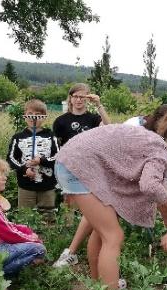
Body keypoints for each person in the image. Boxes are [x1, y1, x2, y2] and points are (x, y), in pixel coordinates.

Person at [55, 111, 167, 290]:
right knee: (113, 236)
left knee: (101, 233)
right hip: (78, 165)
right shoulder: (161, 150)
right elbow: (150, 186)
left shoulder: (152, 142)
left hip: (71, 161)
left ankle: (99, 287)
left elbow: (158, 188)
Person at [52, 83, 110, 268]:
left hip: (92, 170)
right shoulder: (61, 121)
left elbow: (110, 129)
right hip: (69, 169)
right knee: (70, 207)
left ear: (88, 98)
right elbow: (57, 149)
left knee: (91, 210)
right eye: (75, 96)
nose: (78, 100)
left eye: (82, 97)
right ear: (70, 98)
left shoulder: (93, 119)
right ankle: (69, 243)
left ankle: (75, 250)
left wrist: (99, 105)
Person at [7, 99, 59, 219]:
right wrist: (24, 169)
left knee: (48, 216)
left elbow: (58, 156)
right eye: (30, 114)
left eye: (38, 115)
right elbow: (11, 159)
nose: (34, 118)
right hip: (25, 185)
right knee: (25, 216)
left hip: (47, 185)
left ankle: (47, 236)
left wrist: (42, 161)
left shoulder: (51, 136)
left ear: (44, 117)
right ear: (25, 116)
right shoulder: (17, 137)